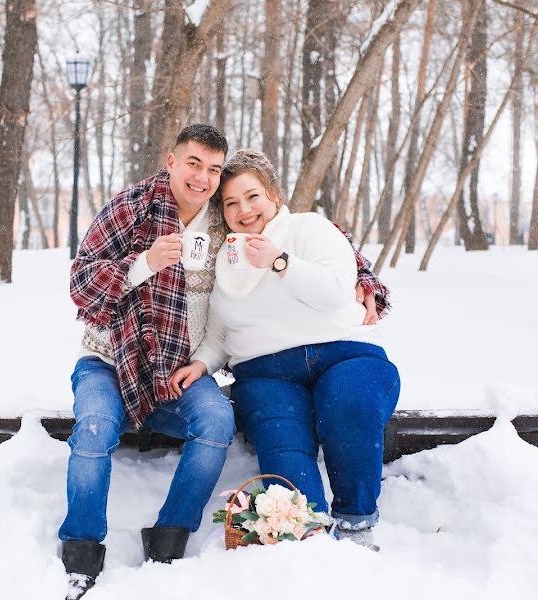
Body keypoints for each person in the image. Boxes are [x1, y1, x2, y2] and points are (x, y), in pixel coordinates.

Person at [171, 149, 400, 551]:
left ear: (273, 196)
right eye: (231, 202)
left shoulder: (309, 229)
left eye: (252, 196)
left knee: (349, 407)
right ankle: (308, 536)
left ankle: (355, 522)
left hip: (344, 353)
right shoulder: (227, 257)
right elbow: (221, 330)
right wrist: (201, 363)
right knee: (283, 451)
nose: (244, 209)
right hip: (265, 371)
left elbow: (334, 291)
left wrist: (280, 262)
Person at [61, 124, 236, 599]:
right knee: (95, 426)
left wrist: (361, 276)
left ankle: (169, 538)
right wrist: (143, 264)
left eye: (214, 169)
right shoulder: (130, 208)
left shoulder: (225, 222)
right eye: (193, 163)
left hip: (179, 370)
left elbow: (289, 227)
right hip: (108, 360)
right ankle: (80, 549)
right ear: (172, 161)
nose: (202, 178)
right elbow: (80, 284)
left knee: (218, 420)